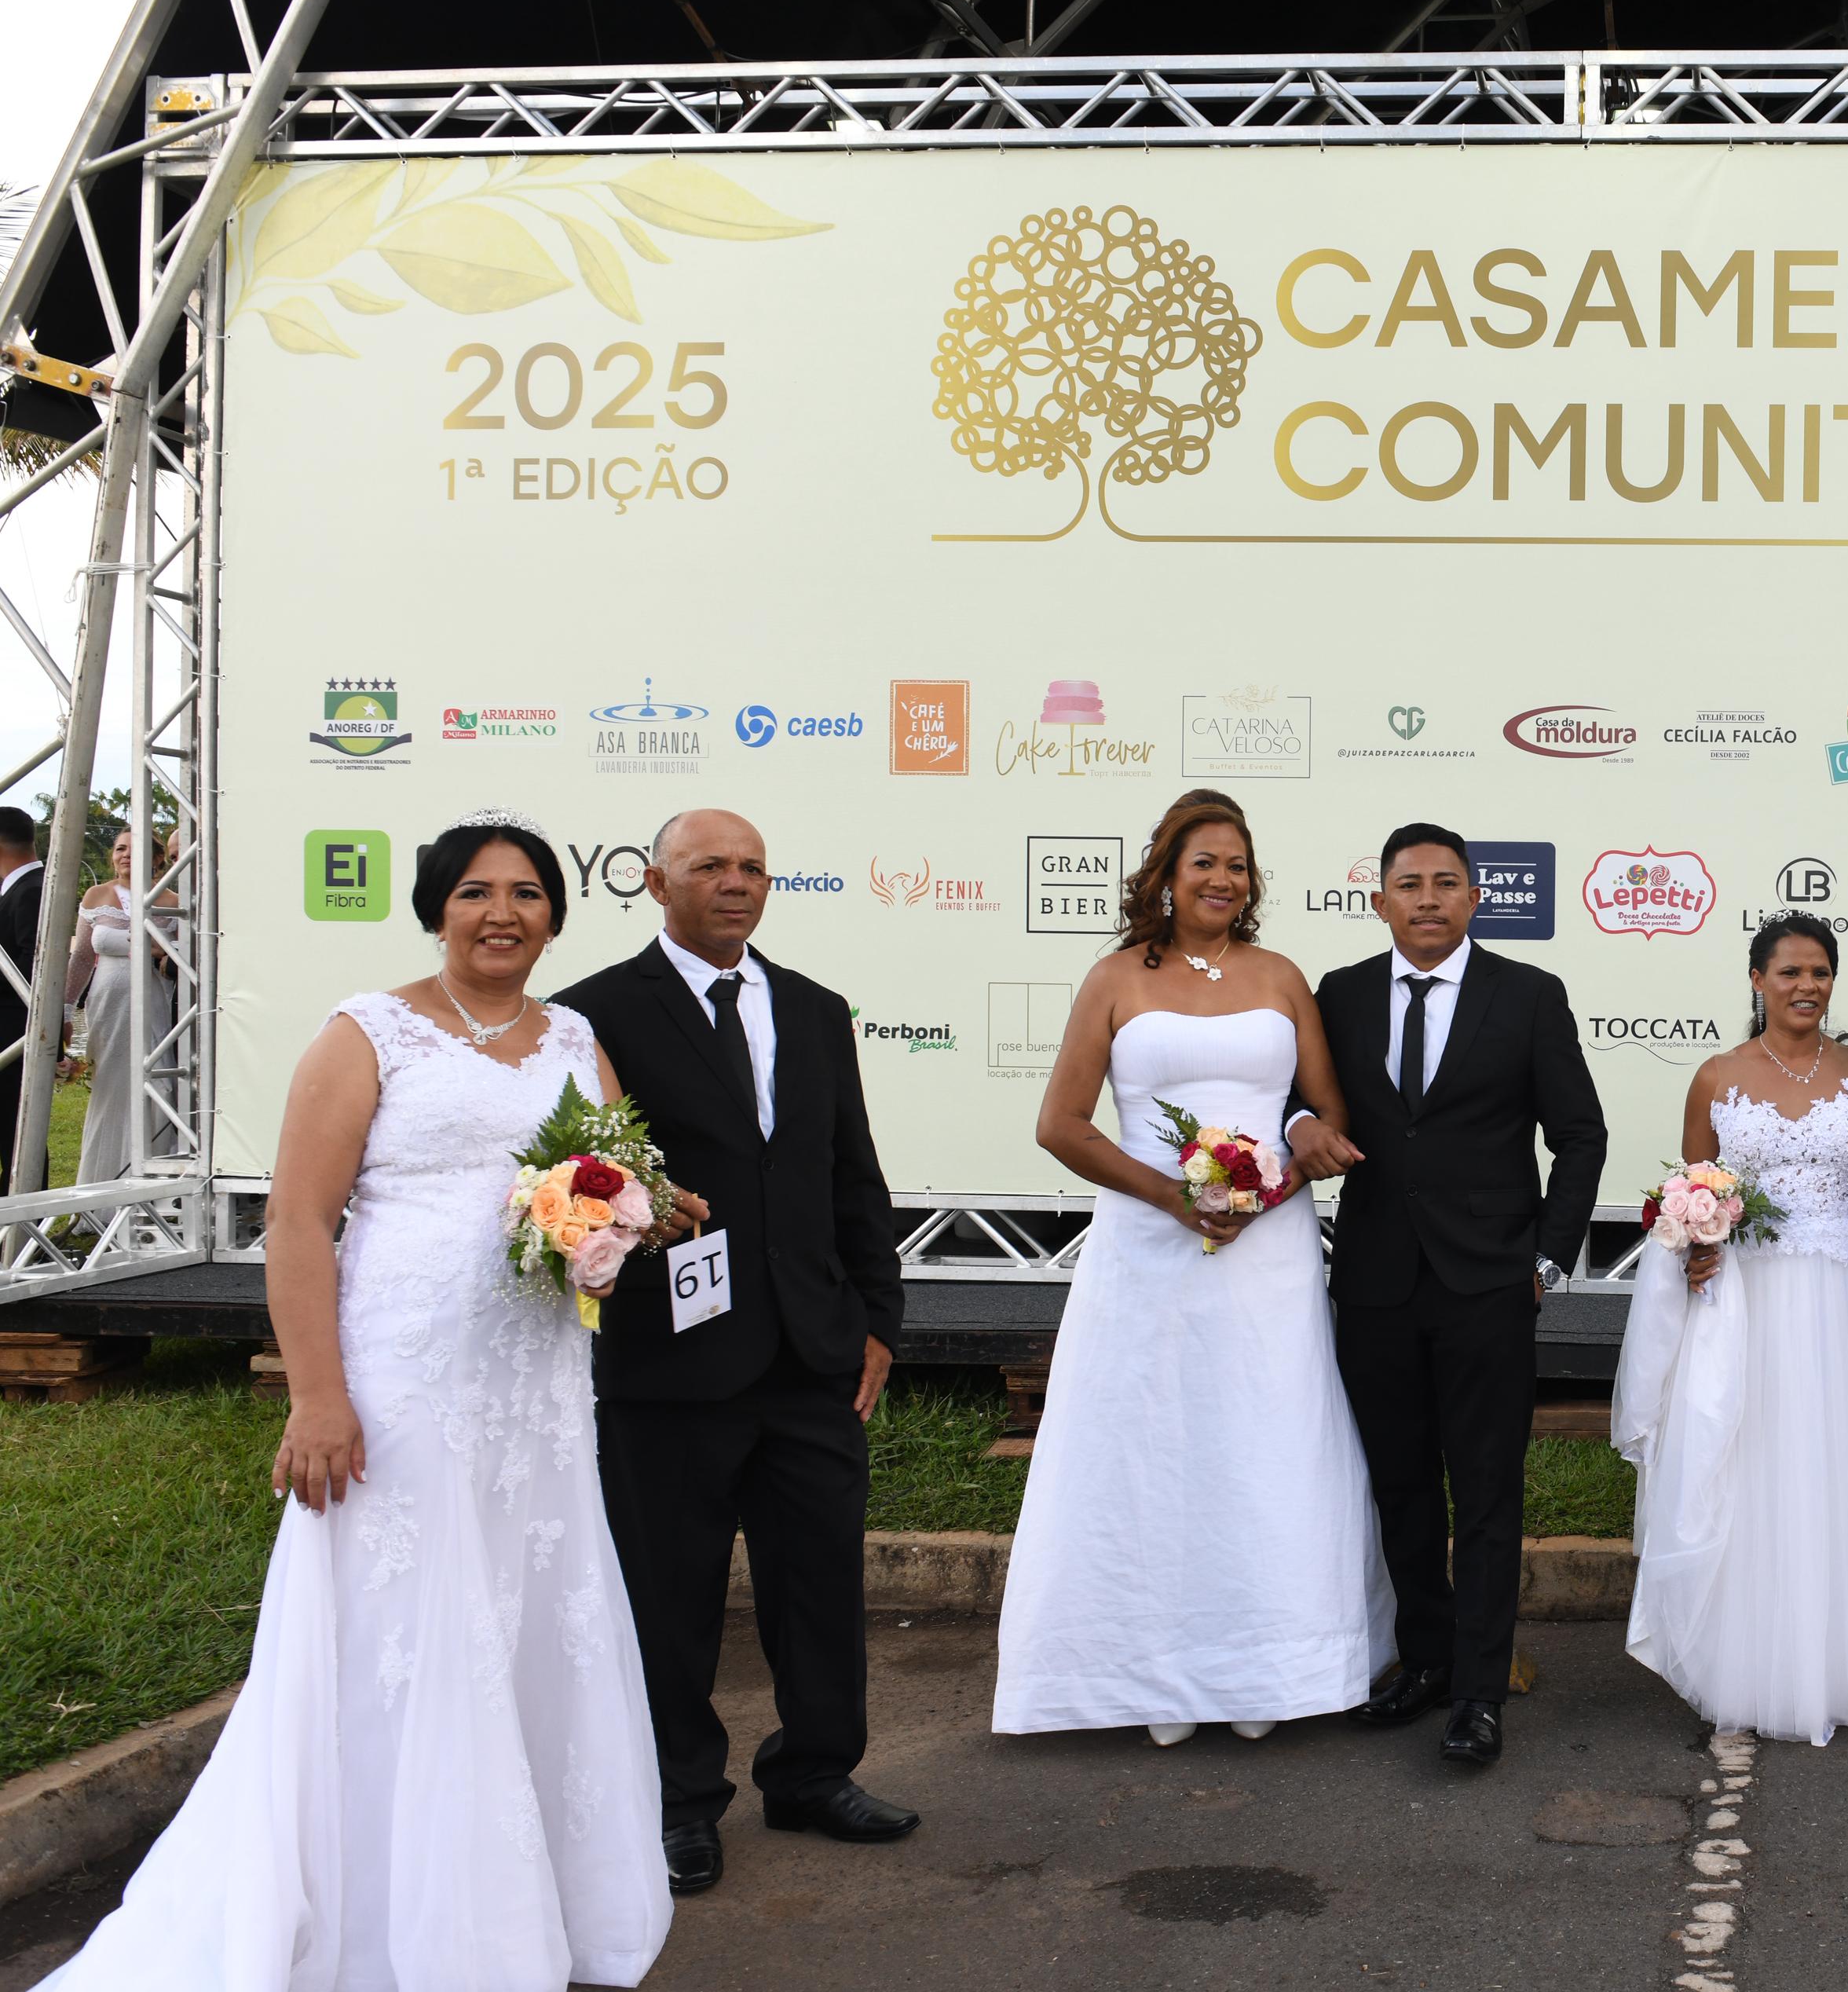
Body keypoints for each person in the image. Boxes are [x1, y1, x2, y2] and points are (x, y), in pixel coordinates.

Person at [0, 815, 670, 1992]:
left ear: (556, 916)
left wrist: (621, 1218)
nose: (503, 912)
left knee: (527, 1610)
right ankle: (380, 1938)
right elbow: (301, 1221)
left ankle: (532, 1906)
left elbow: (609, 1175)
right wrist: (318, 1396)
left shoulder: (576, 1038)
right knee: (400, 1626)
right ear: (435, 907)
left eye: (529, 892)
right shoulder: (369, 1032)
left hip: (534, 1383)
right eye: (476, 891)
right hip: (402, 1379)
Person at [554, 809, 917, 1898]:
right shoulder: (591, 1013)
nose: (736, 882)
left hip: (811, 1348)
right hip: (669, 1357)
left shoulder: (812, 1008)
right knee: (670, 1592)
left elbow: (851, 1170)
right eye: (710, 865)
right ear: (655, 880)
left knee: (821, 1579)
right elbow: (574, 1181)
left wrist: (879, 1317)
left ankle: (814, 1771)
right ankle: (677, 1801)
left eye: (753, 867)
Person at [996, 789, 1390, 1745]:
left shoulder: (1281, 976)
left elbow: (1327, 1115)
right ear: (1165, 874)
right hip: (1148, 1250)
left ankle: (1271, 1667)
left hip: (1267, 1254)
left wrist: (1271, 1182)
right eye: (1203, 861)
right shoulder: (1114, 977)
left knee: (1263, 1444)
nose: (1222, 878)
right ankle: (1151, 1673)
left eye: (1237, 864)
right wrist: (1172, 1197)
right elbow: (1060, 1124)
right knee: (1153, 1447)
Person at [1286, 820, 1606, 1770]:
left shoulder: (1529, 994)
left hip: (1489, 1284)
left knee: (1486, 1488)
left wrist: (1546, 1258)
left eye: (1444, 882)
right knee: (1399, 1484)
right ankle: (1423, 1660)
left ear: (1474, 896)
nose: (1426, 898)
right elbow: (1293, 1099)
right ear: (1379, 899)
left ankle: (1477, 1690)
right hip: (1375, 1281)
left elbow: (1579, 1135)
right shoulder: (1339, 994)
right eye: (1408, 883)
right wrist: (1299, 1123)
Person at [1612, 913, 1848, 1745]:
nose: (1806, 986)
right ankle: (1746, 1663)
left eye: (1819, 972)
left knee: (1832, 1463)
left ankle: (1835, 1664)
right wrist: (1696, 1239)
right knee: (1749, 1459)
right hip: (1746, 1297)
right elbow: (1691, 1188)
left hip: (1838, 1295)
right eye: (1789, 971)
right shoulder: (1716, 1075)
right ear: (1757, 979)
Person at [65, 828, 183, 1181]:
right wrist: (66, 1012)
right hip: (107, 1006)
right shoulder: (96, 895)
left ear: (157, 858)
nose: (126, 855)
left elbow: (182, 956)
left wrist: (158, 949)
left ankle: (150, 1178)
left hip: (153, 1003)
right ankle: (101, 1185)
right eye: (120, 849)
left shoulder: (174, 902)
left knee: (158, 1083)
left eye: (136, 848)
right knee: (111, 1088)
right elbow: (81, 958)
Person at [0, 807, 44, 1186]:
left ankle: (24, 1210)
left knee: (15, 1133)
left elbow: (35, 970)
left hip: (15, 1028)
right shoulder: (15, 887)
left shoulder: (32, 890)